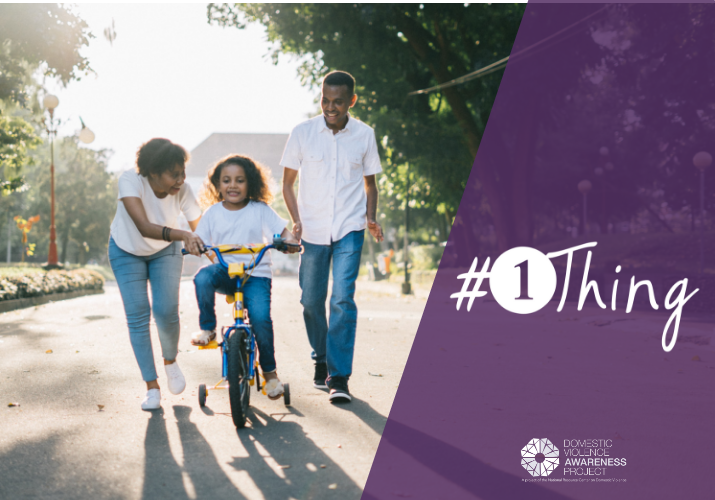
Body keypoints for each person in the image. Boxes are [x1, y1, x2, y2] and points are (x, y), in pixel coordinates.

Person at [281, 70, 384, 403]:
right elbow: (287, 183)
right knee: (311, 301)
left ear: (351, 101)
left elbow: (370, 183)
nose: (330, 107)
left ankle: (339, 377)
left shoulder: (365, 135)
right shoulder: (302, 133)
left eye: (338, 102)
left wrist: (370, 217)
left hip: (350, 229)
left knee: (341, 299)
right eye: (325, 100)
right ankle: (321, 358)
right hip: (311, 230)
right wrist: (296, 220)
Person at [191, 155, 300, 399]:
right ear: (217, 185)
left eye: (240, 180)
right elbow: (199, 239)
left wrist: (289, 242)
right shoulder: (212, 213)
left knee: (261, 319)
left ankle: (270, 374)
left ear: (249, 183)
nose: (233, 185)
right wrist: (194, 245)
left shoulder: (260, 210)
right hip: (226, 272)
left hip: (256, 275)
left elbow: (283, 233)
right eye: (226, 180)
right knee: (202, 278)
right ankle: (207, 328)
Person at [108, 138, 204, 411]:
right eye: (174, 174)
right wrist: (184, 234)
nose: (181, 179)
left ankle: (170, 361)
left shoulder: (182, 190)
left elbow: (203, 229)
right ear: (152, 172)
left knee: (165, 311)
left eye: (183, 172)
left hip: (165, 251)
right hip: (126, 249)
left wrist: (220, 258)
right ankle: (151, 387)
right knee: (138, 314)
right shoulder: (130, 181)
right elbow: (143, 226)